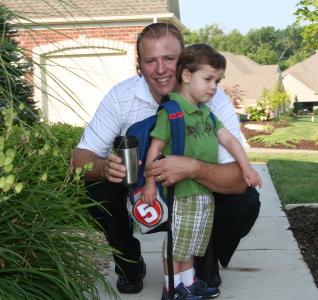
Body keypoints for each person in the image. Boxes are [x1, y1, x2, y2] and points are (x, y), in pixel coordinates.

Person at [71, 23, 261, 295]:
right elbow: (79, 158)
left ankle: (201, 262)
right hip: (144, 193)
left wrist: (193, 168)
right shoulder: (120, 97)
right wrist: (104, 167)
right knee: (98, 186)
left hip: (194, 196)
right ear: (139, 64)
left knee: (245, 200)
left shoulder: (213, 100)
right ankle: (129, 263)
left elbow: (237, 179)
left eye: (169, 59)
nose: (161, 69)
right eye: (151, 60)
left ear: (185, 62)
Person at [141, 44, 262, 299]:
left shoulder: (205, 113)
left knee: (193, 242)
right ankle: (171, 288)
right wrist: (150, 183)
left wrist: (247, 167)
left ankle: (188, 283)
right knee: (177, 244)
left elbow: (230, 140)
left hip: (203, 191)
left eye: (217, 81)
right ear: (186, 75)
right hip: (182, 193)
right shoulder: (172, 112)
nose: (213, 86)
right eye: (208, 79)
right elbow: (155, 148)